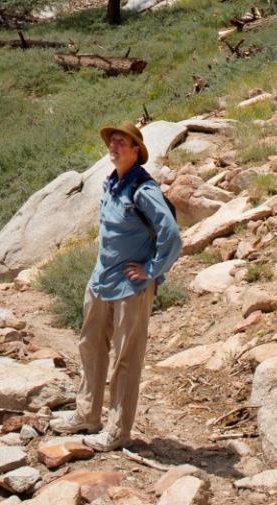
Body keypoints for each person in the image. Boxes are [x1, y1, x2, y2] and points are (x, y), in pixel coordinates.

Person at [50, 121, 182, 451]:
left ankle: (117, 431)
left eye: (123, 142)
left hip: (131, 287)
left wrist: (151, 270)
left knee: (126, 358)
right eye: (113, 141)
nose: (115, 146)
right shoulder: (111, 184)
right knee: (91, 345)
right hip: (101, 281)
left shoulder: (144, 189)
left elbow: (172, 237)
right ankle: (87, 413)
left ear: (136, 151)